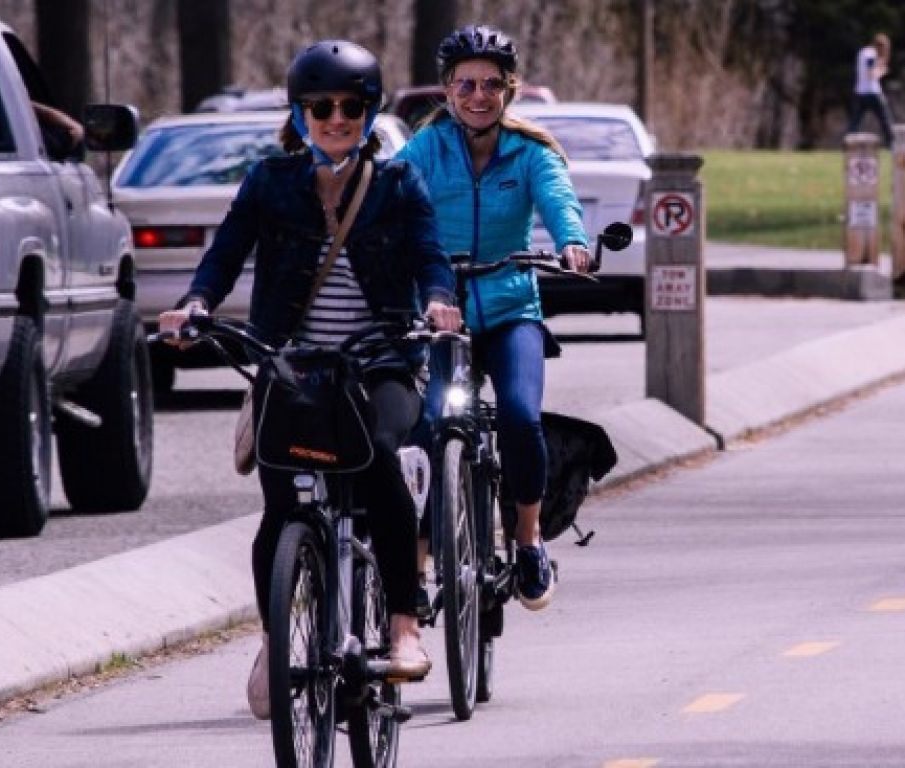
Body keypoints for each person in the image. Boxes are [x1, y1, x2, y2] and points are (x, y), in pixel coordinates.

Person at [157, 39, 461, 718]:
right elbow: (226, 254)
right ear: (298, 114)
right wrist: (198, 306)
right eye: (320, 106)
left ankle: (403, 628)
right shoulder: (270, 182)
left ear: (369, 111)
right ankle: (276, 635)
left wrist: (439, 300)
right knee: (283, 510)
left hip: (380, 358)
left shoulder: (396, 184)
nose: (335, 118)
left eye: (351, 107)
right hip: (291, 367)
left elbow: (429, 255)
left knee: (378, 460)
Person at [398, 24, 588, 612]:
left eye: (490, 85)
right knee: (427, 425)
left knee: (520, 418)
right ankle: (420, 558)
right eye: (465, 86)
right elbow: (390, 198)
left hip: (510, 310)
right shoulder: (425, 149)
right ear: (447, 91)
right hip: (440, 314)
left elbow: (559, 201)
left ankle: (527, 543)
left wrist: (573, 242)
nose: (477, 96)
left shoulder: (531, 152)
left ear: (511, 89)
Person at [846, 32, 893, 146]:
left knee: (855, 122)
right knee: (886, 120)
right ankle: (892, 143)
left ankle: (848, 144)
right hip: (872, 92)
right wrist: (883, 71)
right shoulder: (871, 54)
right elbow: (871, 74)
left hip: (860, 92)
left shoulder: (862, 52)